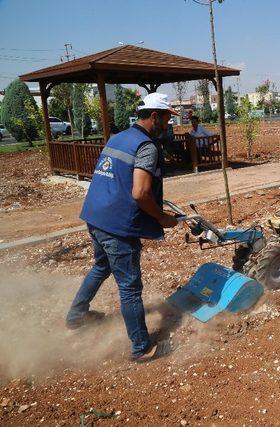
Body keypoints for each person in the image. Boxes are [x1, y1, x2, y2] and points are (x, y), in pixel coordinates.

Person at [66, 92, 179, 362]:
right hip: (117, 225)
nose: (169, 124)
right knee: (129, 287)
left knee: (101, 266)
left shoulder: (119, 138)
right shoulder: (147, 146)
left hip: (95, 216)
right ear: (154, 116)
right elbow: (140, 193)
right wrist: (162, 218)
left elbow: (113, 178)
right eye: (166, 118)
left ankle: (76, 316)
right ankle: (142, 348)